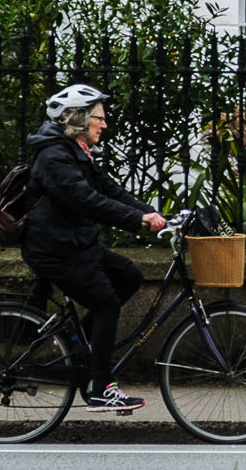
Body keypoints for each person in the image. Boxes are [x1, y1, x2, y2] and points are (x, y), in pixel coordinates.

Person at [22, 84, 167, 412]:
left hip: (74, 244)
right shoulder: (54, 157)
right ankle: (101, 386)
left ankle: (77, 342)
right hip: (55, 250)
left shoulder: (75, 152)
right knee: (105, 304)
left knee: (129, 275)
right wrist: (137, 221)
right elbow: (88, 202)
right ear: (77, 118)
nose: (104, 125)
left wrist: (154, 215)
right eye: (98, 118)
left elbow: (109, 191)